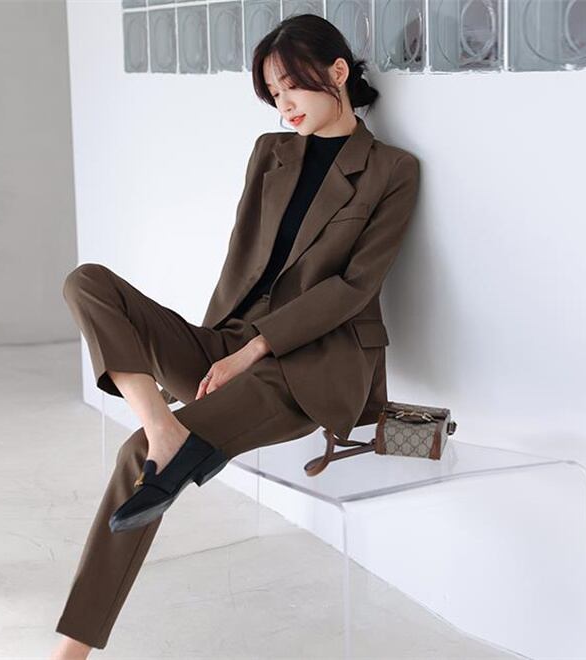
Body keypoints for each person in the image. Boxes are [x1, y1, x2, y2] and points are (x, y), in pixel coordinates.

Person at [50, 12, 420, 659]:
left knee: (138, 458)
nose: (284, 104)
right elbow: (243, 264)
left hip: (304, 366)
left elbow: (354, 288)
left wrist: (253, 350)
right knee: (87, 282)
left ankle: (69, 652)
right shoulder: (270, 153)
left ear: (338, 72)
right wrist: (208, 353)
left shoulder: (392, 170)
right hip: (226, 342)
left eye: (293, 86)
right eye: (273, 93)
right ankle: (165, 427)